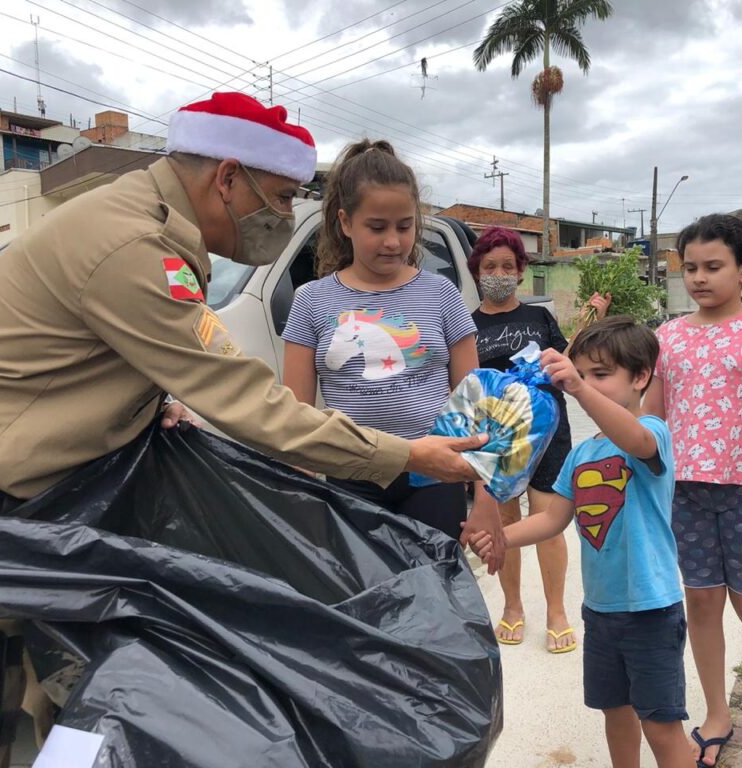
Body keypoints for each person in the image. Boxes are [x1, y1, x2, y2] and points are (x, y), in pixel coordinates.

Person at [0, 94, 486, 767]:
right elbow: (251, 403)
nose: (283, 218)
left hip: (56, 506)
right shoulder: (134, 244)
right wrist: (402, 454)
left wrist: (143, 402)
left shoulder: (147, 225)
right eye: (280, 199)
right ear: (228, 179)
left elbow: (106, 358)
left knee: (73, 687)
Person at [468, 317, 692, 768]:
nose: (587, 384)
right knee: (615, 711)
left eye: (601, 374)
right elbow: (552, 518)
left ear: (642, 377)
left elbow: (637, 438)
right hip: (603, 610)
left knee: (661, 724)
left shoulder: (653, 434)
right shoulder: (583, 452)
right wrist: (498, 539)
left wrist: (577, 389)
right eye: (583, 374)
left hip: (651, 609)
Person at [646, 214, 742, 766]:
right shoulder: (667, 337)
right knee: (703, 601)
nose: (699, 278)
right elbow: (651, 425)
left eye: (713, 266)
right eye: (689, 267)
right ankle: (716, 709)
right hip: (683, 494)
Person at [281, 139, 485, 543]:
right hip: (349, 478)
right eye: (377, 227)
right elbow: (295, 420)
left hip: (433, 476)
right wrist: (300, 503)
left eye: (404, 226)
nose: (393, 241)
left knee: (436, 595)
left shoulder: (442, 295)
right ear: (345, 222)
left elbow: (476, 407)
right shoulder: (311, 301)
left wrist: (486, 502)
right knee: (363, 598)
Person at [468, 225, 608, 651]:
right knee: (506, 522)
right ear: (477, 271)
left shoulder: (540, 318)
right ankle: (512, 607)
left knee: (550, 522)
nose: (499, 273)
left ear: (521, 271)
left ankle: (556, 610)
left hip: (549, 436)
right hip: (498, 437)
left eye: (507, 266)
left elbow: (569, 363)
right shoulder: (467, 325)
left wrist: (594, 321)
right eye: (490, 266)